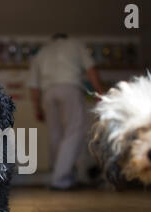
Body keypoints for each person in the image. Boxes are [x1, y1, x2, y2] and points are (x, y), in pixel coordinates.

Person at [28, 33, 104, 190]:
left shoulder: (42, 51)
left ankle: (64, 176)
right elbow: (91, 69)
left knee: (55, 135)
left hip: (48, 93)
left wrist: (37, 108)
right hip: (70, 88)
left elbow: (34, 86)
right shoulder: (75, 44)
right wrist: (100, 93)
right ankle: (60, 179)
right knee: (74, 132)